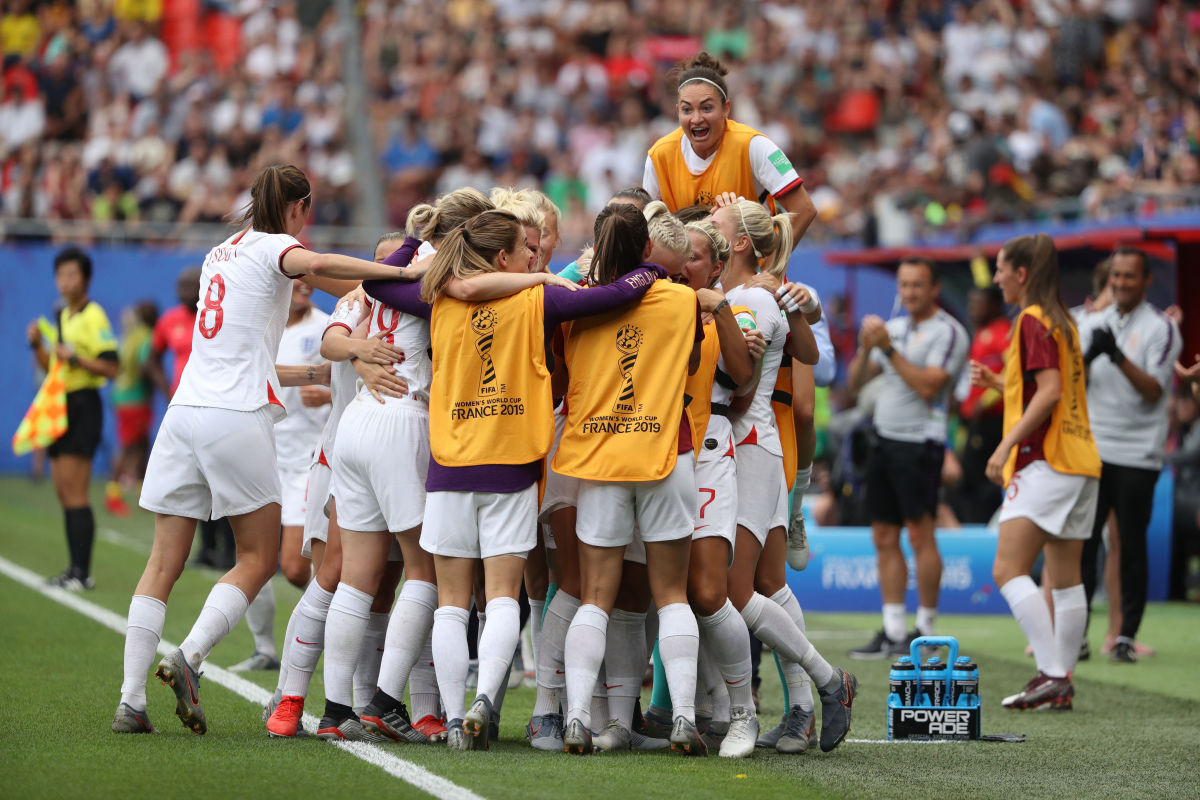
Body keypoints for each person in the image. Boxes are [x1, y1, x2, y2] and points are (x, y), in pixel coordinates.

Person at [113, 164, 413, 736]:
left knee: (161, 562)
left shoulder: (219, 254)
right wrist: (401, 273)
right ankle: (190, 656)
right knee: (258, 558)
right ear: (299, 207)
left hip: (183, 414)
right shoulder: (281, 246)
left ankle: (130, 702)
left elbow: (276, 321)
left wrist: (339, 345)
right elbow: (318, 265)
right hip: (235, 417)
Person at [363, 209, 663, 751]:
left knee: (453, 603)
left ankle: (456, 720)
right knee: (503, 598)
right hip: (512, 467)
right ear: (502, 258)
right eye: (527, 250)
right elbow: (616, 296)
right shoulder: (538, 298)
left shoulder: (440, 298)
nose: (535, 258)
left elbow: (375, 281)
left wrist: (411, 241)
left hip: (449, 467)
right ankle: (483, 700)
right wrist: (653, 272)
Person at [553, 202, 707, 755]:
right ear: (648, 249)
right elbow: (690, 367)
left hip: (600, 457)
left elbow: (564, 376)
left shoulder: (575, 305)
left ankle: (576, 719)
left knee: (596, 596)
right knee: (670, 595)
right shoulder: (682, 299)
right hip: (668, 452)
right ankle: (685, 718)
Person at [708, 196, 855, 756]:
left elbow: (740, 391)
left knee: (732, 591)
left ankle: (825, 681)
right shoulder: (763, 291)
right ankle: (800, 711)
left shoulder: (746, 299)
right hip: (765, 447)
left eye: (717, 227)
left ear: (741, 243)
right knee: (771, 585)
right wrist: (797, 304)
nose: (709, 231)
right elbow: (810, 351)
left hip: (747, 446)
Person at [970, 233, 1100, 710]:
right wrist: (1001, 382)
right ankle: (1059, 681)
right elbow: (1051, 386)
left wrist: (1004, 446)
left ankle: (1049, 673)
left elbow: (1047, 392)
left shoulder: (1030, 318)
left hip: (1045, 460)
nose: (997, 278)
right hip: (1082, 458)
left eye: (1002, 269)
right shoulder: (1063, 320)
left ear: (1022, 274)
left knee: (1007, 568)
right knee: (1065, 576)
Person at [848, 258, 968, 658]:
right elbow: (854, 383)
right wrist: (867, 351)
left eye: (917, 285)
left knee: (920, 534)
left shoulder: (949, 332)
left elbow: (929, 387)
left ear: (934, 288)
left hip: (921, 444)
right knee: (883, 535)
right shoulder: (894, 329)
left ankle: (926, 630)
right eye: (904, 284)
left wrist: (887, 349)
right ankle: (894, 629)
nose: (910, 292)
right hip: (884, 440)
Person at [1076, 247, 1181, 662]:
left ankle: (1124, 636)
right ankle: (1076, 634)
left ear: (1146, 280)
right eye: (1116, 276)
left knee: (1131, 543)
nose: (1120, 283)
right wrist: (1088, 355)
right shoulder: (1092, 321)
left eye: (1129, 276)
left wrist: (1117, 356)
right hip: (1092, 449)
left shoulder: (1162, 328)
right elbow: (1071, 382)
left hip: (1138, 453)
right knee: (1083, 544)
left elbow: (1154, 390)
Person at [231, 278, 333, 673]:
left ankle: (343, 623)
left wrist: (327, 392)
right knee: (251, 556)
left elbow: (355, 380)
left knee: (293, 565)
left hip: (307, 460)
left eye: (308, 279)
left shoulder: (327, 327)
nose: (304, 285)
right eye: (294, 280)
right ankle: (264, 649)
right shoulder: (260, 328)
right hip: (263, 454)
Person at [642, 52, 816, 247]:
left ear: (726, 108)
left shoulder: (755, 145)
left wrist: (770, 270)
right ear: (677, 112)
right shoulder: (659, 156)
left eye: (707, 108)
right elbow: (648, 227)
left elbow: (804, 209)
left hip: (749, 273)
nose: (696, 118)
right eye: (687, 109)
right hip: (687, 274)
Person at [26, 246, 119, 591]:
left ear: (86, 279)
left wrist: (77, 358)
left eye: (72, 274)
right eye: (60, 275)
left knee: (77, 492)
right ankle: (74, 569)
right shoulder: (63, 316)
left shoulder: (94, 316)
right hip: (60, 402)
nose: (64, 281)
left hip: (83, 404)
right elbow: (51, 367)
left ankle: (82, 573)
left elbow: (112, 366)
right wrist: (38, 345)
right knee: (64, 492)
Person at [150, 267, 236, 569]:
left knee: (222, 483)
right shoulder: (169, 320)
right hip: (184, 410)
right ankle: (207, 548)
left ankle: (228, 551)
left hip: (216, 408)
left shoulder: (215, 317)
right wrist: (167, 392)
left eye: (190, 285)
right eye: (180, 285)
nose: (184, 290)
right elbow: (153, 358)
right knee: (197, 483)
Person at [953, 286, 1011, 523]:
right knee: (969, 479)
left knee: (981, 482)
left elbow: (1012, 370)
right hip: (974, 422)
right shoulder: (982, 332)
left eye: (979, 304)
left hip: (992, 422)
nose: (973, 309)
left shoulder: (1002, 333)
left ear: (996, 305)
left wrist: (985, 401)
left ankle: (983, 531)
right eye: (971, 303)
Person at [106, 300, 158, 517]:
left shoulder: (130, 335)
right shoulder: (146, 336)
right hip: (135, 398)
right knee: (129, 446)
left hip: (122, 396)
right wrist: (160, 385)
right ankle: (113, 496)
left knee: (141, 444)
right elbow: (146, 363)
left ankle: (142, 492)